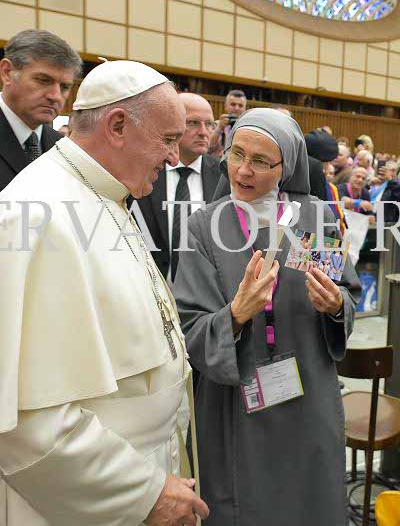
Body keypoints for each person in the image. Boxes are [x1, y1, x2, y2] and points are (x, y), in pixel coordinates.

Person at [0, 60, 209, 526]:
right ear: (117, 126)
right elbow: (25, 421)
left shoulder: (107, 194)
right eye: (168, 139)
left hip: (143, 461)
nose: (174, 158)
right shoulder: (32, 213)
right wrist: (143, 493)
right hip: (84, 496)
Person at [174, 108, 360, 526]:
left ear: (286, 167)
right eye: (237, 154)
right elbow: (189, 328)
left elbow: (345, 295)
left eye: (261, 161)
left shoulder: (313, 217)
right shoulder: (204, 226)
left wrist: (334, 305)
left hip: (307, 394)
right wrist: (236, 316)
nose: (243, 170)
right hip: (235, 402)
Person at [135, 93, 221, 283]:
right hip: (149, 286)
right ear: (171, 125)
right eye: (193, 123)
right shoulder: (143, 171)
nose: (203, 132)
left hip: (205, 291)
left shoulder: (224, 176)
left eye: (210, 124)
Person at [0, 29, 81, 191]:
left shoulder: (64, 147)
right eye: (43, 80)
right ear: (7, 72)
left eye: (65, 87)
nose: (55, 96)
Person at [209, 89, 247, 156]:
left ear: (245, 108)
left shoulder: (247, 128)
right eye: (233, 104)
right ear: (226, 106)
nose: (236, 108)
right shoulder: (215, 125)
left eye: (240, 105)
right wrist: (219, 128)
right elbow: (208, 148)